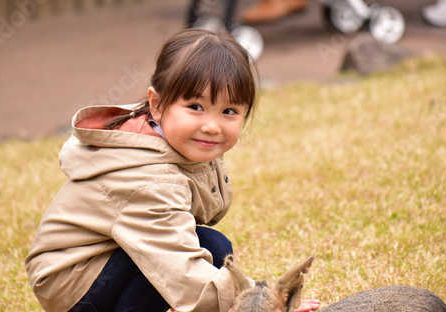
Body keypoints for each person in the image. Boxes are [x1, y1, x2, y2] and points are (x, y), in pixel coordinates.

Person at [25, 28, 321, 312]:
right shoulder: (148, 180)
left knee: (213, 246)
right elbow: (179, 268)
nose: (211, 126)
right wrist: (261, 305)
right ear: (156, 104)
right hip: (73, 284)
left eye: (229, 111)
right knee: (207, 252)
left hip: (97, 266)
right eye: (195, 106)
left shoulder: (175, 141)